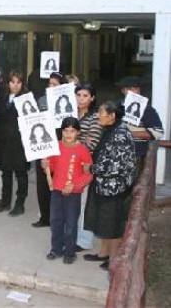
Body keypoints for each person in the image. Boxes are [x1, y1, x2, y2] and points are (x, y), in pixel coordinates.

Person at [84, 101, 137, 271]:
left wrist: (91, 168)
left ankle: (114, 258)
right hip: (103, 184)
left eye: (101, 113)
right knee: (103, 222)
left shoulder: (120, 135)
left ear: (112, 116)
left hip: (115, 187)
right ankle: (103, 253)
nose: (98, 116)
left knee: (113, 224)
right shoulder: (110, 130)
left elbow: (113, 166)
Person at [43, 117, 93, 264]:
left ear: (78, 132)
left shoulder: (83, 150)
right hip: (57, 191)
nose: (69, 134)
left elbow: (88, 174)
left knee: (71, 223)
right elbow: (51, 167)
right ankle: (56, 248)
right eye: (66, 130)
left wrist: (75, 185)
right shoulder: (55, 147)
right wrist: (45, 164)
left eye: (72, 131)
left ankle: (70, 251)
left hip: (73, 193)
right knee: (55, 221)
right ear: (61, 131)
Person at [31, 71, 66, 228]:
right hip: (44, 145)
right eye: (49, 84)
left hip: (60, 147)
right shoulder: (41, 101)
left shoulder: (67, 102)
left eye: (55, 84)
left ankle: (57, 218)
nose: (51, 87)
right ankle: (44, 217)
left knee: (57, 182)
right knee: (42, 183)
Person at [0, 70, 29, 216]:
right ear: (8, 83)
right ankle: (5, 201)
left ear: (22, 84)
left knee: (21, 174)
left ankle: (20, 203)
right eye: (12, 82)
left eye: (18, 82)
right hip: (4, 142)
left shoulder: (26, 99)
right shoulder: (3, 98)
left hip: (19, 143)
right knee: (5, 172)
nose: (15, 85)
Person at [75, 83, 103, 252]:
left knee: (84, 203)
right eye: (78, 95)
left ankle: (84, 240)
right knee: (72, 201)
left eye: (85, 95)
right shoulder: (70, 113)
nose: (81, 98)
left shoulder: (95, 118)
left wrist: (70, 142)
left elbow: (91, 143)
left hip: (85, 164)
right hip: (69, 163)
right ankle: (72, 234)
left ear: (92, 98)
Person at [116, 76, 164, 164]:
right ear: (122, 90)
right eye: (129, 89)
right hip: (116, 153)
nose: (133, 92)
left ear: (139, 90)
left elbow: (158, 132)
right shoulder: (117, 107)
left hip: (136, 154)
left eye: (135, 88)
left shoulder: (147, 109)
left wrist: (129, 133)